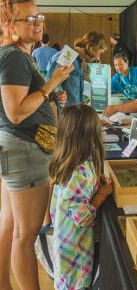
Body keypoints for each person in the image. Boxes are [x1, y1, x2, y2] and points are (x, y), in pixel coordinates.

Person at [0, 1, 73, 289]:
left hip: (19, 148)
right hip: (26, 149)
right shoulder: (14, 57)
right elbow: (16, 112)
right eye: (28, 18)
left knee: (9, 226)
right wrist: (52, 82)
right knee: (25, 235)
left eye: (38, 15)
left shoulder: (18, 55)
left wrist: (52, 93)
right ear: (10, 25)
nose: (37, 22)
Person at [49, 104, 113, 290]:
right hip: (75, 255)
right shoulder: (81, 172)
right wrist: (101, 193)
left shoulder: (66, 162)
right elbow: (82, 217)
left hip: (64, 245)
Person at [47, 31, 107, 106]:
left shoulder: (80, 61)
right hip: (63, 114)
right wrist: (59, 93)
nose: (99, 58)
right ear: (93, 47)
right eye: (100, 53)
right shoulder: (68, 55)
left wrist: (80, 101)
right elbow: (50, 80)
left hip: (74, 112)